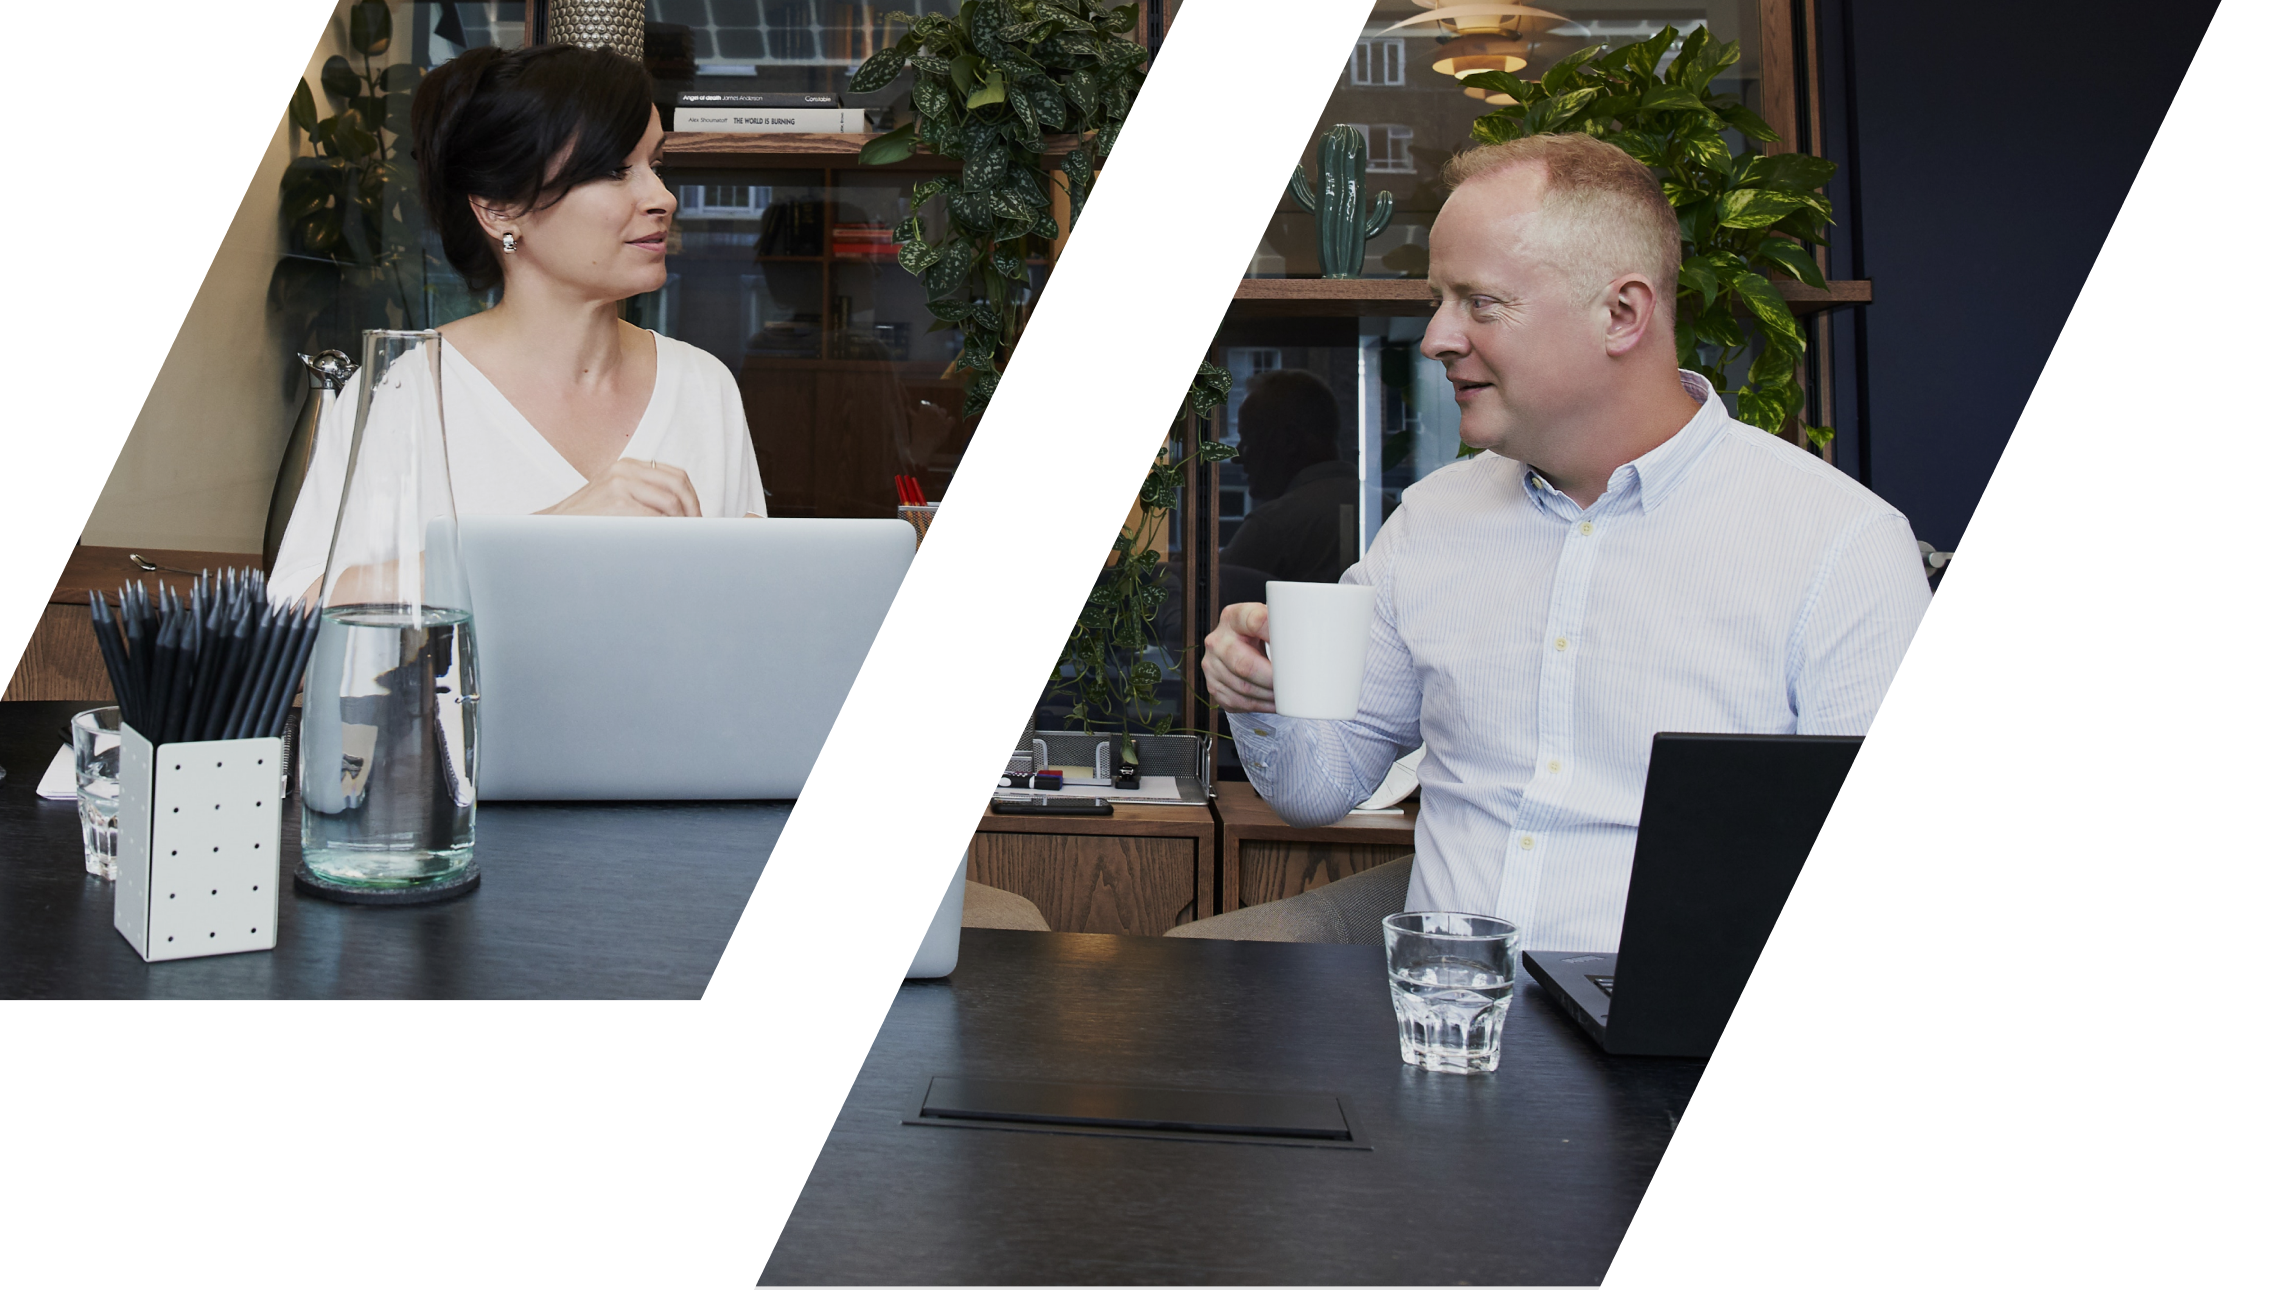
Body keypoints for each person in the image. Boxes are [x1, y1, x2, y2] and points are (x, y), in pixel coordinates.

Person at [1184, 133, 1932, 949]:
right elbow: (1319, 787)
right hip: (1430, 1025)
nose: (1436, 337)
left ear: (1622, 313)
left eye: (1480, 302)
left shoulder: (1842, 547)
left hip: (1660, 1056)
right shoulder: (1430, 523)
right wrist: (1260, 696)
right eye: (1440, 299)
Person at [270, 44, 767, 604]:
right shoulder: (407, 391)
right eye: (612, 168)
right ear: (499, 208)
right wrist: (549, 537)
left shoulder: (704, 387)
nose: (662, 197)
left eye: (656, 165)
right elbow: (298, 608)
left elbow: (740, 619)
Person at [1219, 369, 1359, 597]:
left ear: (1289, 440)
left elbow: (1211, 602)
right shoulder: (1391, 511)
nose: (1237, 456)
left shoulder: (1273, 526)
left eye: (1248, 438)